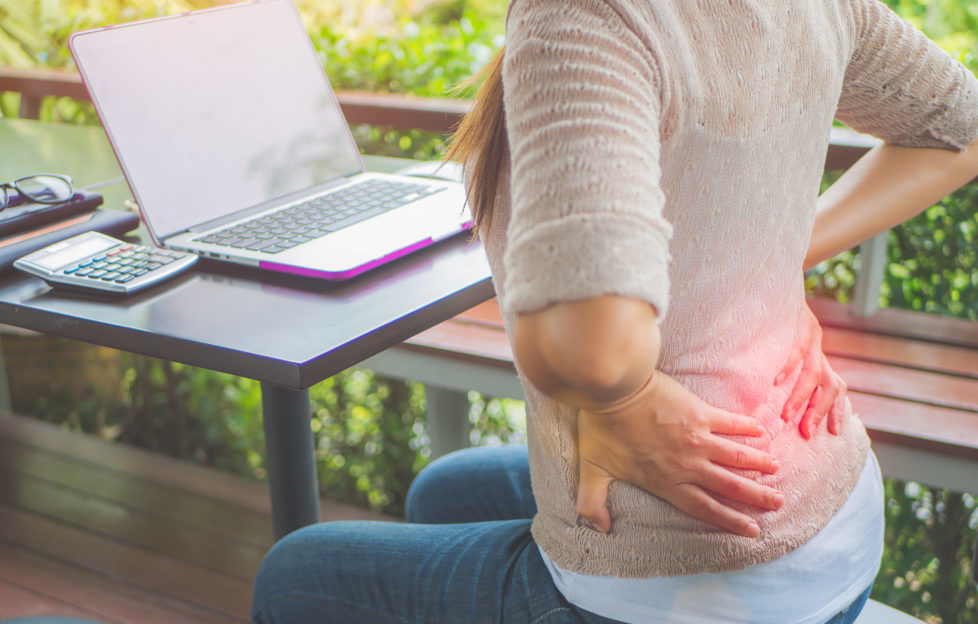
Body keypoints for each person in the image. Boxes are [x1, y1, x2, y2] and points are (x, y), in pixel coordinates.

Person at [251, 1, 978, 622]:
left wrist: (625, 396)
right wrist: (773, 261)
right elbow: (961, 131)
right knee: (442, 489)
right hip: (836, 524)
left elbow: (593, 350)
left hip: (700, 577)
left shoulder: (584, 17)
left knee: (294, 575)